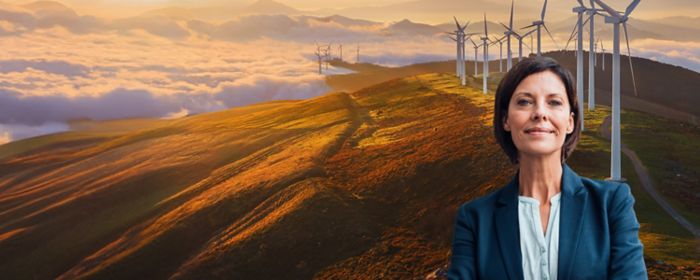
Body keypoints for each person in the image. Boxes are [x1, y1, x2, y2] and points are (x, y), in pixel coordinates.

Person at [447, 57, 647, 279]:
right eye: (524, 102)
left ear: (570, 122)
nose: (539, 113)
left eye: (554, 102)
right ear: (505, 120)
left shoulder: (611, 204)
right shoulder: (475, 219)